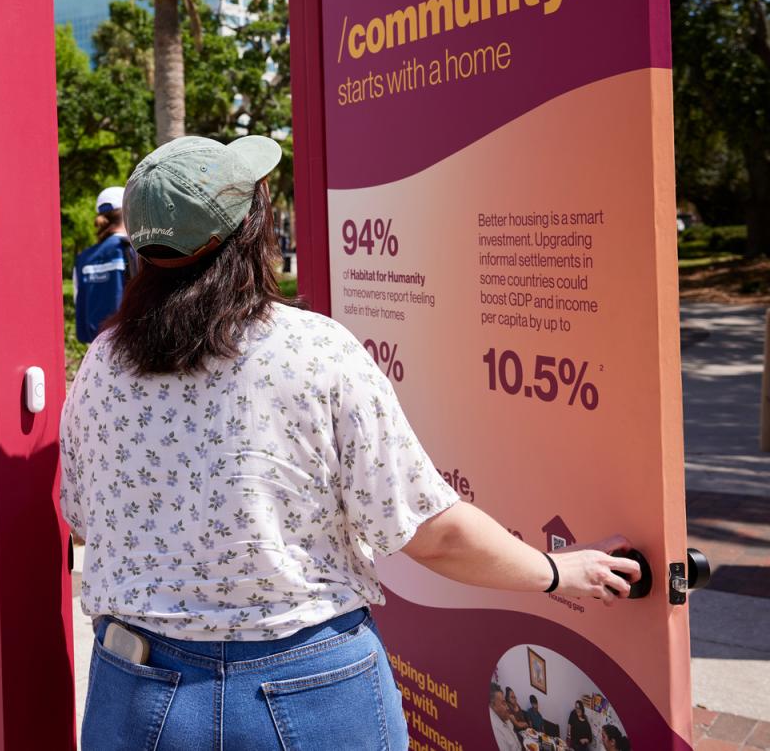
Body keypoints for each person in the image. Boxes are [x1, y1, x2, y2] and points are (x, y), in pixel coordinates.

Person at [59, 135, 641, 751]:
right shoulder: (315, 350)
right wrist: (556, 571)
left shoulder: (103, 363)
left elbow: (83, 521)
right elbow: (430, 533)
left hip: (139, 691)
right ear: (249, 234)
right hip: (306, 688)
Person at [72, 186, 136, 344]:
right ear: (128, 212)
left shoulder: (83, 258)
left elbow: (77, 298)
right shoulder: (134, 250)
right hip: (131, 344)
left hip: (96, 347)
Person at [490, 686, 523, 751]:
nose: (507, 707)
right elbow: (518, 725)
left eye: (515, 697)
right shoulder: (496, 731)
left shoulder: (506, 719)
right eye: (503, 703)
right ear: (492, 706)